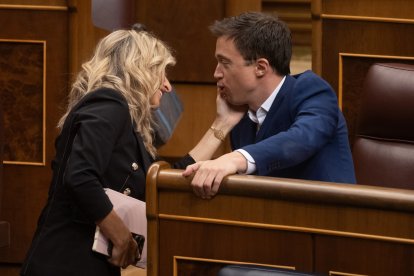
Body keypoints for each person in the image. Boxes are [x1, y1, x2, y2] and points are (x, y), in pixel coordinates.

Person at [20, 25, 244, 276]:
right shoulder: (108, 103)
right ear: (140, 70)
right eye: (162, 74)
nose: (167, 86)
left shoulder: (126, 120)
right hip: (64, 264)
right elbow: (79, 176)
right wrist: (121, 236)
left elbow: (160, 183)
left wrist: (223, 123)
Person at [183, 12, 356, 199]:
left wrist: (236, 158)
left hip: (329, 220)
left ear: (260, 67)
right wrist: (223, 123)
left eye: (225, 62)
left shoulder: (310, 89)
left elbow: (301, 138)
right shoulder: (241, 116)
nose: (216, 73)